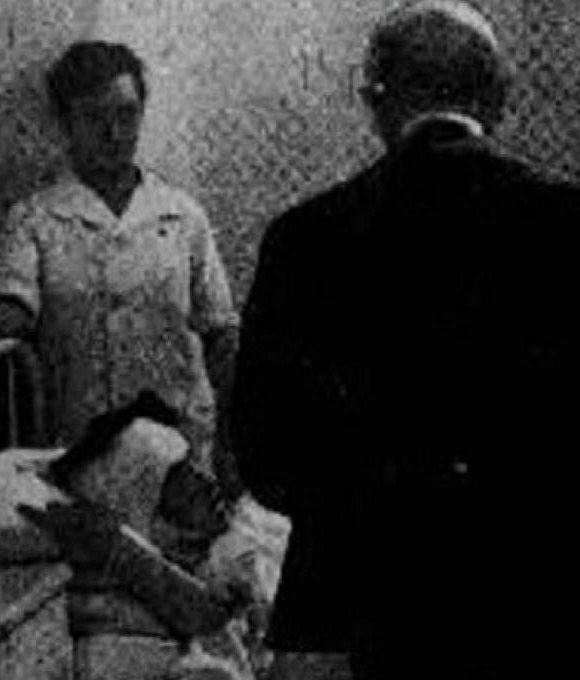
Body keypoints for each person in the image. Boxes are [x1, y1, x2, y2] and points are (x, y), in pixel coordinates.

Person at [230, 2, 576, 678]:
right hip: (537, 601)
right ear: (498, 96)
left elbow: (265, 457)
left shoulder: (306, 238)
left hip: (358, 607)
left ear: (375, 102)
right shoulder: (567, 223)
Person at [0, 41, 239, 480]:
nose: (114, 133)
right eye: (94, 118)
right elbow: (14, 299)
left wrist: (237, 435)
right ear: (65, 123)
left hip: (183, 444)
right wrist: (0, 320)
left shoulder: (183, 215)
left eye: (126, 115)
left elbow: (220, 330)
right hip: (86, 449)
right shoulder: (34, 219)